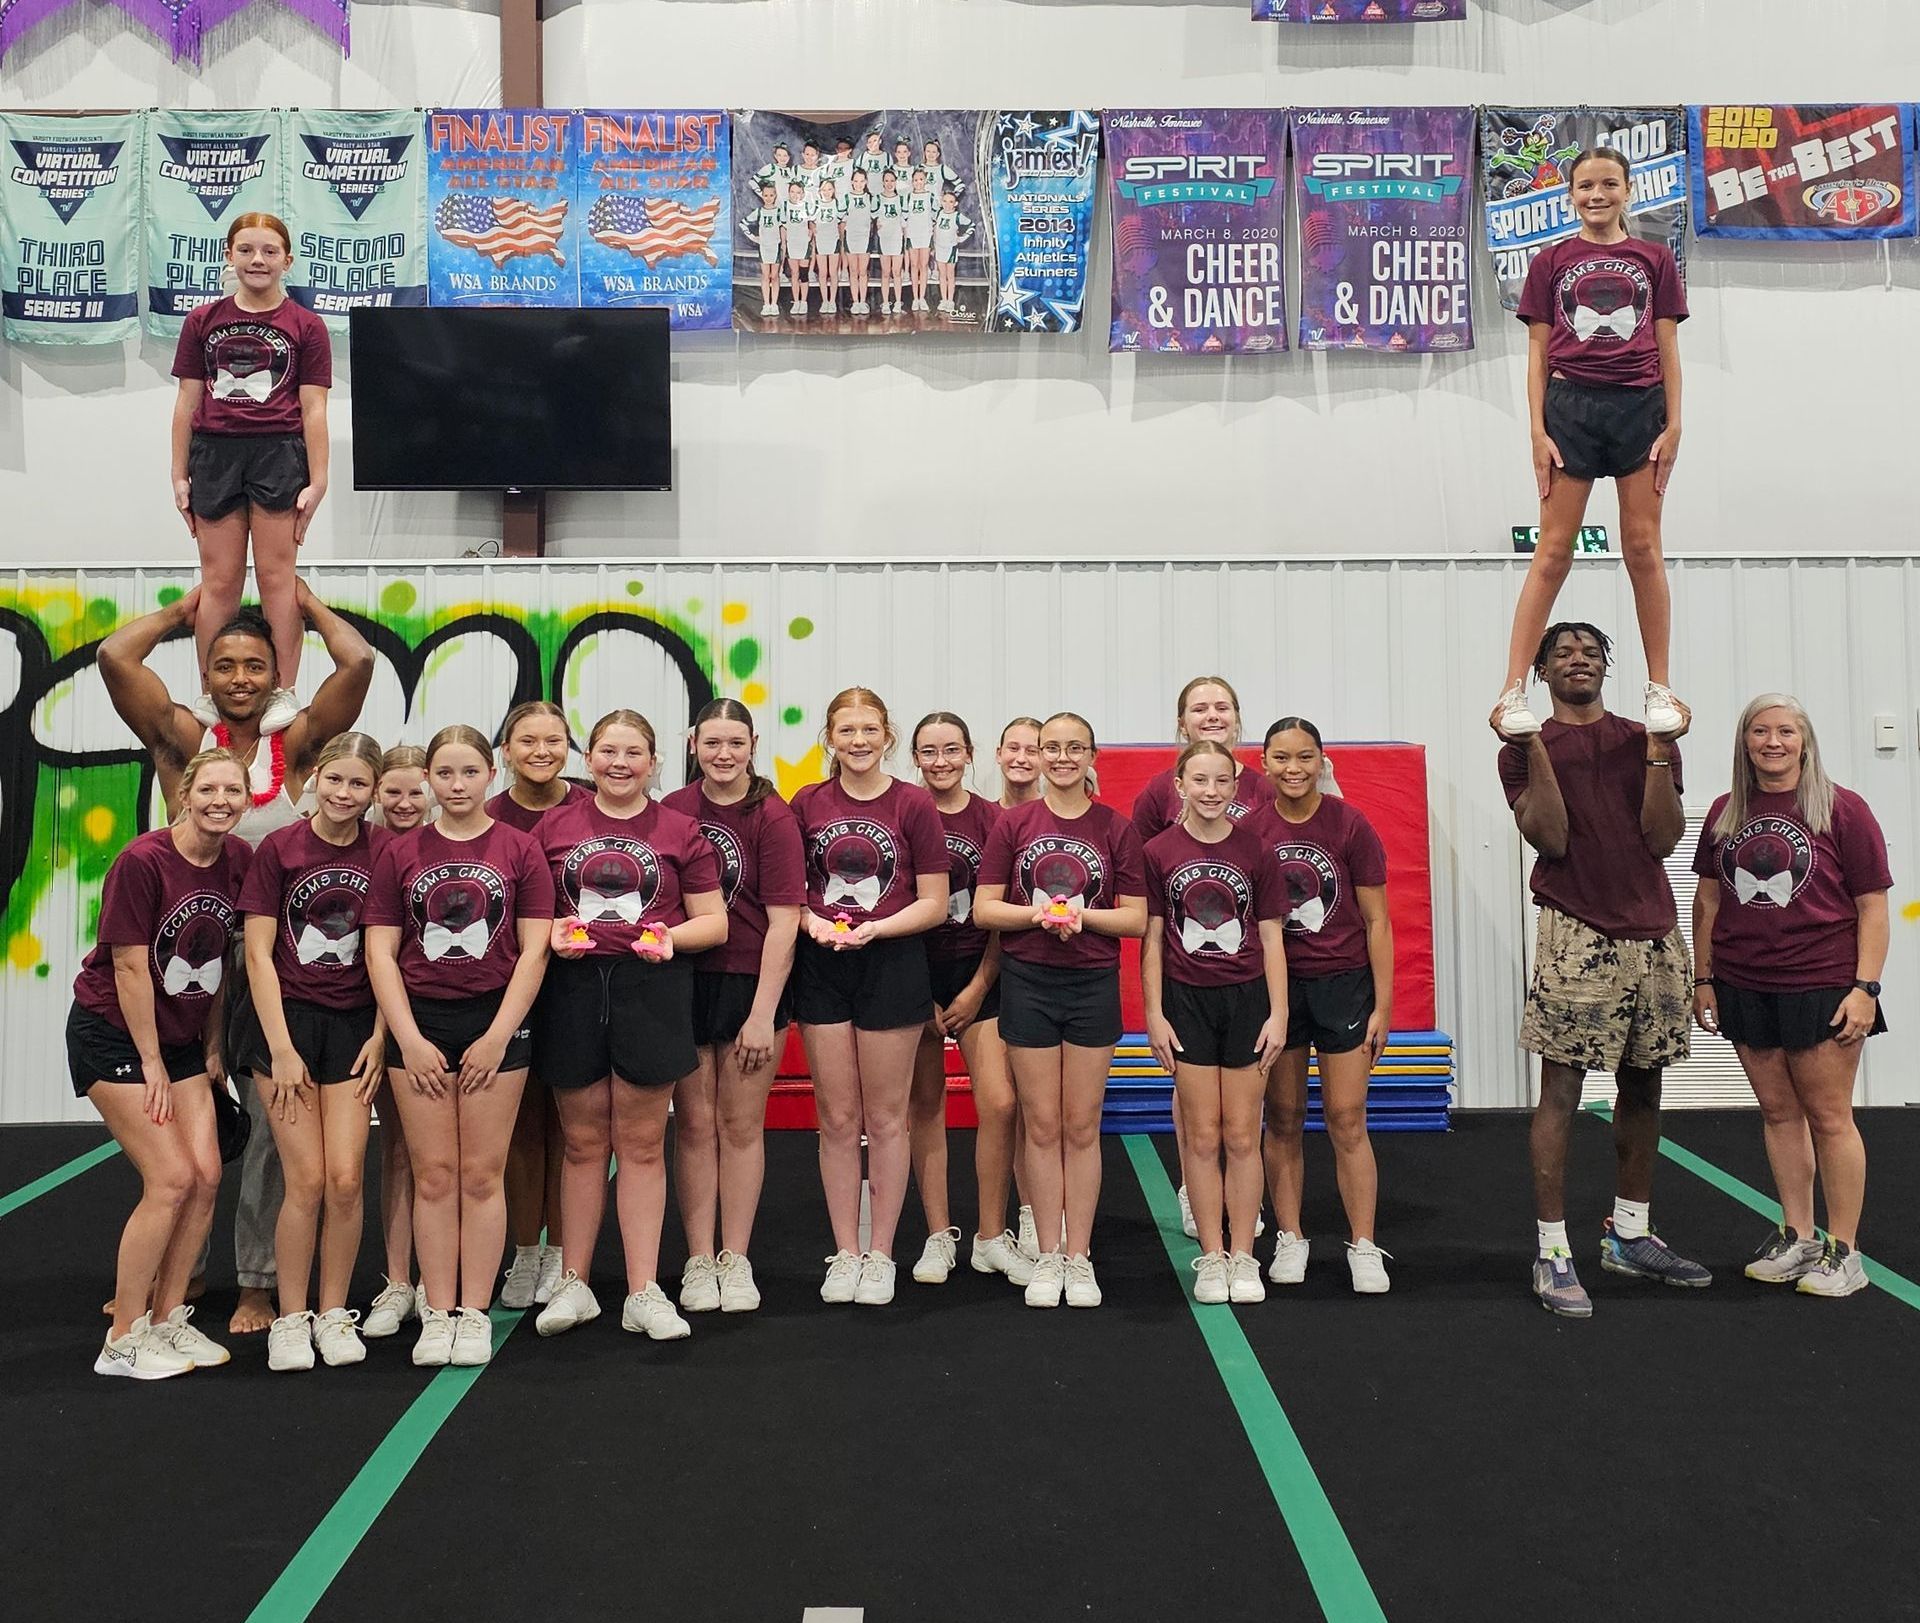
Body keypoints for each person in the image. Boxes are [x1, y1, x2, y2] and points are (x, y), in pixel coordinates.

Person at [98, 580, 373, 1336]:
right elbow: (115, 655)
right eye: (226, 666)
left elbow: (358, 662)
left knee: (266, 1128)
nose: (242, 679)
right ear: (207, 673)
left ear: (277, 668)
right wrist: (183, 613)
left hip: (272, 967)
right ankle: (169, 1277)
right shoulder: (185, 739)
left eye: (256, 665)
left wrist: (309, 609)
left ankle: (255, 1278)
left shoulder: (303, 743)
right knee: (178, 1132)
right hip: (187, 960)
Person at [1496, 622, 1709, 1317]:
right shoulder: (1521, 751)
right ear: (1540, 672)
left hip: (1653, 933)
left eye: (1590, 652)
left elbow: (1663, 837)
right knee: (1561, 1090)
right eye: (1563, 653)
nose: (1578, 660)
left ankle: (1631, 1232)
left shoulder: (1647, 739)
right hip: (1576, 931)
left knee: (1644, 1086)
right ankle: (1553, 1248)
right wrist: (1530, 741)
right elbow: (1552, 836)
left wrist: (1656, 750)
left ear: (1609, 667)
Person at [531, 711, 727, 1342]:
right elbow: (531, 917)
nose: (620, 763)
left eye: (633, 752)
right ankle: (575, 1282)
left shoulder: (681, 830)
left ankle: (643, 1289)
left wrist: (671, 937)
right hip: (573, 991)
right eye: (608, 751)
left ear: (654, 761)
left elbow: (713, 924)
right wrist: (553, 935)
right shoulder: (552, 827)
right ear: (588, 759)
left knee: (642, 1145)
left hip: (652, 992)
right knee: (583, 1143)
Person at [365, 725, 554, 1367]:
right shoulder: (400, 853)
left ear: (490, 773)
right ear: (429, 782)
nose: (456, 786)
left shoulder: (520, 849)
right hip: (420, 1024)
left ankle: (474, 1310)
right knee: (434, 1174)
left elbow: (534, 949)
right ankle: (438, 1309)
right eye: (443, 775)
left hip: (496, 1022)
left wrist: (499, 1035)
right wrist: (409, 1038)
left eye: (469, 773)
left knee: (480, 1172)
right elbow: (381, 952)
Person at [1693, 695, 1890, 1298]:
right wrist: (1704, 979)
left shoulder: (1843, 809)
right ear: (1743, 742)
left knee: (1830, 1118)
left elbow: (1873, 907)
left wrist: (1865, 988)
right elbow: (1707, 901)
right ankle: (1798, 1235)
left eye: (1785, 730)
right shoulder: (1727, 812)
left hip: (1824, 986)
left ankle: (1844, 1250)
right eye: (1759, 731)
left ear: (1804, 740)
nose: (1772, 741)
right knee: (1779, 1114)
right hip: (1746, 984)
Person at [1494, 148, 1688, 743]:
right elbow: (1536, 352)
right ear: (1570, 194)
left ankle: (1660, 686)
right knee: (1553, 551)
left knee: (1642, 546)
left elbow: (1667, 346)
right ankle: (1511, 691)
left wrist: (1675, 422)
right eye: (1585, 185)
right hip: (1570, 405)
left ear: (1629, 190)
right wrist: (1536, 429)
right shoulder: (1551, 261)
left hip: (1640, 405)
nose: (1597, 194)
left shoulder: (1654, 259)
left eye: (1609, 184)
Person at [69, 748, 251, 1378]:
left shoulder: (238, 862)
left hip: (180, 1039)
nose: (221, 801)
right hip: (115, 1033)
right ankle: (123, 1337)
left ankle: (170, 1319)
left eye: (234, 790)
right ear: (185, 794)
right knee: (170, 1179)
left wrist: (210, 1043)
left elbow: (220, 963)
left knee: (205, 1177)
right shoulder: (143, 861)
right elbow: (126, 966)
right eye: (210, 789)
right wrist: (151, 1062)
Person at [976, 712, 1146, 1309]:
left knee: (1081, 1124)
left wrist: (1080, 916)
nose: (1064, 757)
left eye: (1076, 748)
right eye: (1054, 747)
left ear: (1092, 755)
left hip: (1092, 983)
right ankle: (1048, 1254)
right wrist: (1037, 916)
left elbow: (1134, 918)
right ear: (1040, 755)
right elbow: (984, 910)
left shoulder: (1115, 828)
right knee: (1041, 1123)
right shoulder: (1014, 824)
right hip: (1028, 982)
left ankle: (1080, 1256)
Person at [236, 732, 389, 1371]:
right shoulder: (280, 849)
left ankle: (332, 1311)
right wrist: (281, 1047)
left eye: (359, 784)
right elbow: (257, 954)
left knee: (347, 1179)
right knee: (305, 1179)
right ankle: (291, 1317)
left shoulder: (384, 851)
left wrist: (382, 1036)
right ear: (316, 779)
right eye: (336, 780)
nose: (345, 794)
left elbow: (390, 953)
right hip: (288, 1025)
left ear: (374, 791)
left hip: (355, 1026)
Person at [792, 688, 949, 1307]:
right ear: (829, 738)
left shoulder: (912, 804)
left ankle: (881, 1251)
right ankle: (846, 1250)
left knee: (886, 1118)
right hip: (824, 968)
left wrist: (878, 928)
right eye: (846, 730)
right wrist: (811, 921)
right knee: (836, 1118)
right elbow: (792, 890)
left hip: (892, 966)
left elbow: (935, 902)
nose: (858, 741)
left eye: (869, 729)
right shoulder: (806, 803)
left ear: (888, 736)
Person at [662, 700, 805, 1316]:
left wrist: (761, 1013)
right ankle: (698, 1259)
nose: (724, 755)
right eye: (712, 742)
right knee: (694, 1125)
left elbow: (783, 924)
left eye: (736, 743)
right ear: (693, 743)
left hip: (749, 984)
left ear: (753, 745)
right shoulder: (671, 810)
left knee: (741, 1126)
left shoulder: (771, 816)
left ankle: (736, 1258)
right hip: (686, 982)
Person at [1248, 718, 1395, 1293]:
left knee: (1346, 1117)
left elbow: (1378, 920)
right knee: (1282, 1118)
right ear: (1263, 763)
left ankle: (1363, 1244)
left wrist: (1384, 1006)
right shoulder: (1253, 830)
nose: (1293, 769)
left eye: (1305, 757)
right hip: (1278, 990)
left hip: (1344, 985)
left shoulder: (1349, 824)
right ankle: (1290, 1236)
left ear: (1321, 761)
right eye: (1282, 758)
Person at [170, 213, 332, 732]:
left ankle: (283, 688)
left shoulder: (307, 325)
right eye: (246, 250)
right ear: (229, 256)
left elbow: (314, 410)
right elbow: (185, 403)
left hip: (279, 453)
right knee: (219, 581)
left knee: (276, 578)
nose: (257, 260)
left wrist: (319, 478)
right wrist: (178, 473)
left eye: (268, 251)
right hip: (215, 454)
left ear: (287, 259)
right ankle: (209, 691)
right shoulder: (202, 321)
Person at [1143, 742, 1288, 1306]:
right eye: (1198, 780)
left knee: (1241, 1133)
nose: (1209, 791)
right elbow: (1152, 939)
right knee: (1202, 1136)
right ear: (1179, 785)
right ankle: (1212, 1254)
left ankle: (1245, 1256)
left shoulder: (1256, 850)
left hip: (1248, 1001)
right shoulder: (1158, 852)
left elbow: (1273, 936)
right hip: (1187, 1003)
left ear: (1235, 787)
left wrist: (1279, 1013)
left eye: (1220, 781)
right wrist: (1154, 1013)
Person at [1129, 677, 1266, 1244]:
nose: (1212, 715)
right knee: (1195, 1104)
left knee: (1245, 1111)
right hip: (1185, 971)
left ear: (1237, 717)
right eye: (1198, 708)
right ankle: (1195, 1188)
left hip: (1249, 965)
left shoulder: (1261, 788)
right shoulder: (1158, 795)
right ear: (1181, 722)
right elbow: (1146, 893)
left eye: (1222, 707)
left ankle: (1243, 1194)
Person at [909, 713, 1029, 1286]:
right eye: (929, 751)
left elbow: (1003, 917)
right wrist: (920, 994)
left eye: (951, 750)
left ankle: (989, 1234)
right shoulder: (905, 811)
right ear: (913, 757)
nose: (940, 761)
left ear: (970, 753)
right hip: (912, 976)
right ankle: (938, 1236)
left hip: (982, 974)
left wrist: (979, 986)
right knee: (925, 1105)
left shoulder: (995, 820)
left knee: (1001, 1103)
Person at [488, 701, 584, 1313]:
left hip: (577, 986)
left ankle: (564, 1256)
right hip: (506, 986)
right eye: (528, 741)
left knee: (571, 1129)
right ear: (506, 750)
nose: (541, 751)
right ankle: (527, 1250)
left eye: (554, 740)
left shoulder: (590, 806)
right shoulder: (490, 813)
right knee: (523, 1131)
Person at [362, 743, 431, 1340]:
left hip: (423, 1016)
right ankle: (397, 1279)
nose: (406, 803)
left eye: (416, 791)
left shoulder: (440, 850)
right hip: (371, 1018)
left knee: (438, 1158)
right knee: (397, 1155)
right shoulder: (369, 847)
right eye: (394, 792)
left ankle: (437, 1277)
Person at [931, 189, 973, 316]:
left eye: (951, 202)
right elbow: (933, 230)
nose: (947, 204)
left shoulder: (957, 216)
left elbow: (971, 225)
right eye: (945, 201)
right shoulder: (938, 213)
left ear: (955, 203)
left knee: (950, 275)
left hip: (950, 249)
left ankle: (950, 300)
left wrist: (961, 238)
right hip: (939, 248)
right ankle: (943, 299)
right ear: (941, 202)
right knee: (941, 275)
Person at [745, 180, 783, 317]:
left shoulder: (779, 212)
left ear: (775, 196)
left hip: (776, 246)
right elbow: (743, 224)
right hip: (764, 247)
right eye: (766, 195)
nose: (768, 198)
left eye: (771, 195)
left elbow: (784, 228)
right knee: (766, 276)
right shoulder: (759, 212)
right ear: (762, 196)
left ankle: (774, 303)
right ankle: (766, 303)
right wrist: (753, 237)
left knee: (775, 276)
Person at [842, 168, 877, 316]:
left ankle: (863, 301)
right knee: (853, 271)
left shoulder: (871, 198)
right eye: (856, 181)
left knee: (863, 272)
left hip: (864, 238)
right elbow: (841, 218)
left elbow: (875, 217)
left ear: (866, 182)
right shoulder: (846, 197)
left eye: (862, 181)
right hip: (851, 237)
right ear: (851, 182)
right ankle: (855, 302)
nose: (858, 184)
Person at [996, 716, 1045, 811]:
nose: (1021, 759)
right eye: (1013, 748)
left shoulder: (1055, 817)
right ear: (999, 754)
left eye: (1031, 751)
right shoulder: (984, 816)